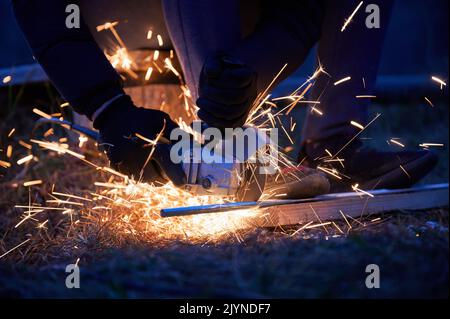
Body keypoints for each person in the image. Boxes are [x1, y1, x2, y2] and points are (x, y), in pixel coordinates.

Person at [12, 0, 437, 195]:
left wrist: (253, 62)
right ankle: (223, 150)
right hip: (113, 21)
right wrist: (107, 107)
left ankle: (334, 144)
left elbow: (302, 10)